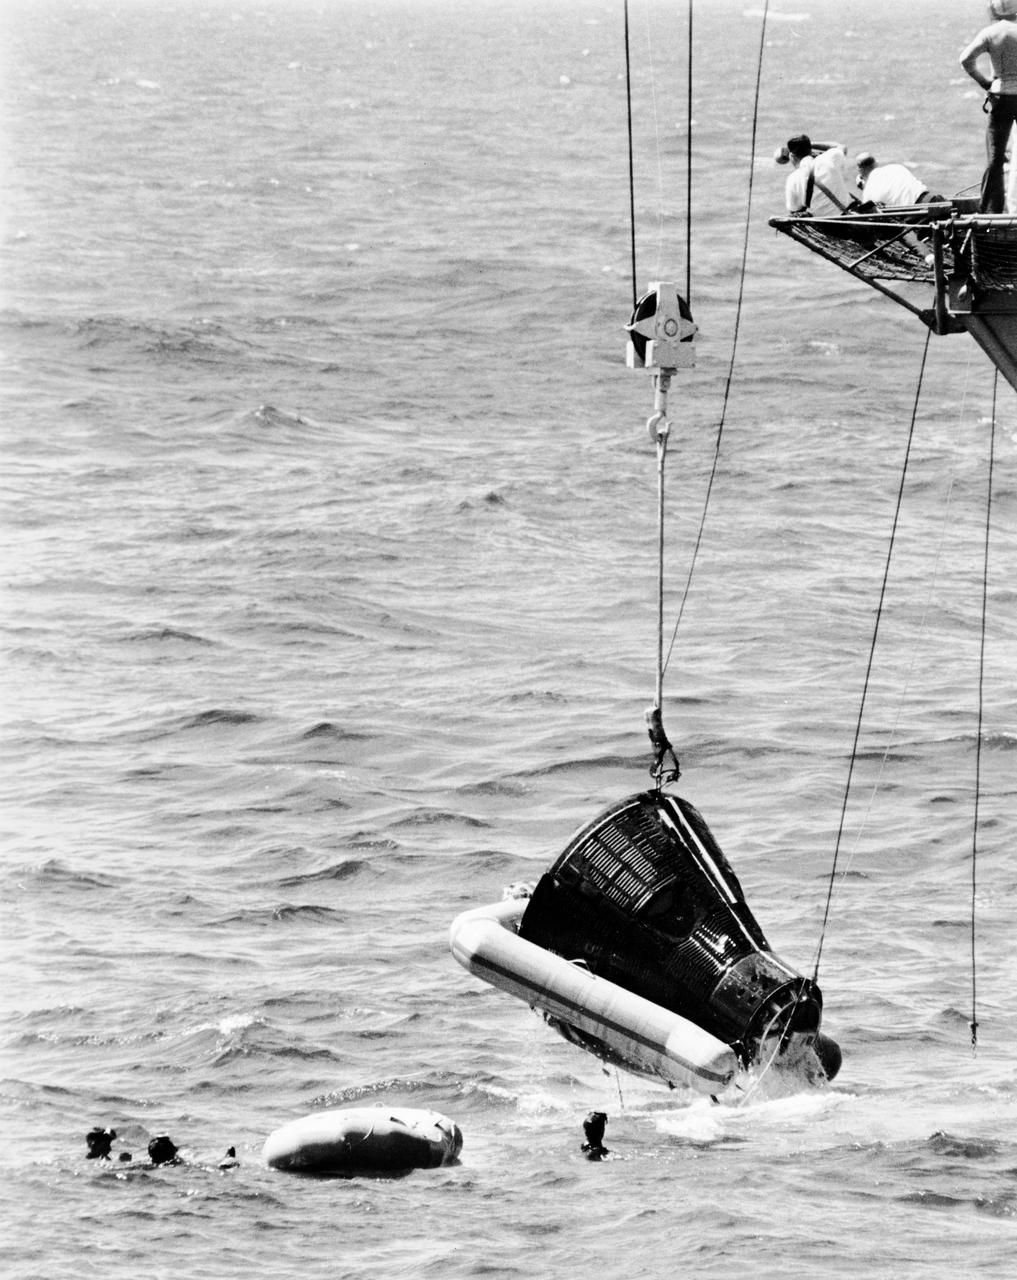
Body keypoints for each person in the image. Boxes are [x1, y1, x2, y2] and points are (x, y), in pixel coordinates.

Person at [960, 1, 1017, 213]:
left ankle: (991, 212)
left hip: (1001, 97)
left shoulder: (990, 32)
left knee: (995, 157)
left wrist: (985, 82)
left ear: (993, 10)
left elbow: (965, 59)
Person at [781, 135, 856, 218]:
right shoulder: (829, 158)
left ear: (792, 156)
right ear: (810, 150)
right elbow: (839, 146)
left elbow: (794, 211)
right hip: (850, 216)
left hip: (827, 226)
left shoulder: (792, 179)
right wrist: (809, 144)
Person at [854, 154, 946, 207]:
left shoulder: (868, 192)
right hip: (933, 200)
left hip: (917, 214)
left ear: (860, 171)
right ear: (876, 163)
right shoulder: (896, 167)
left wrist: (864, 186)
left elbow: (869, 212)